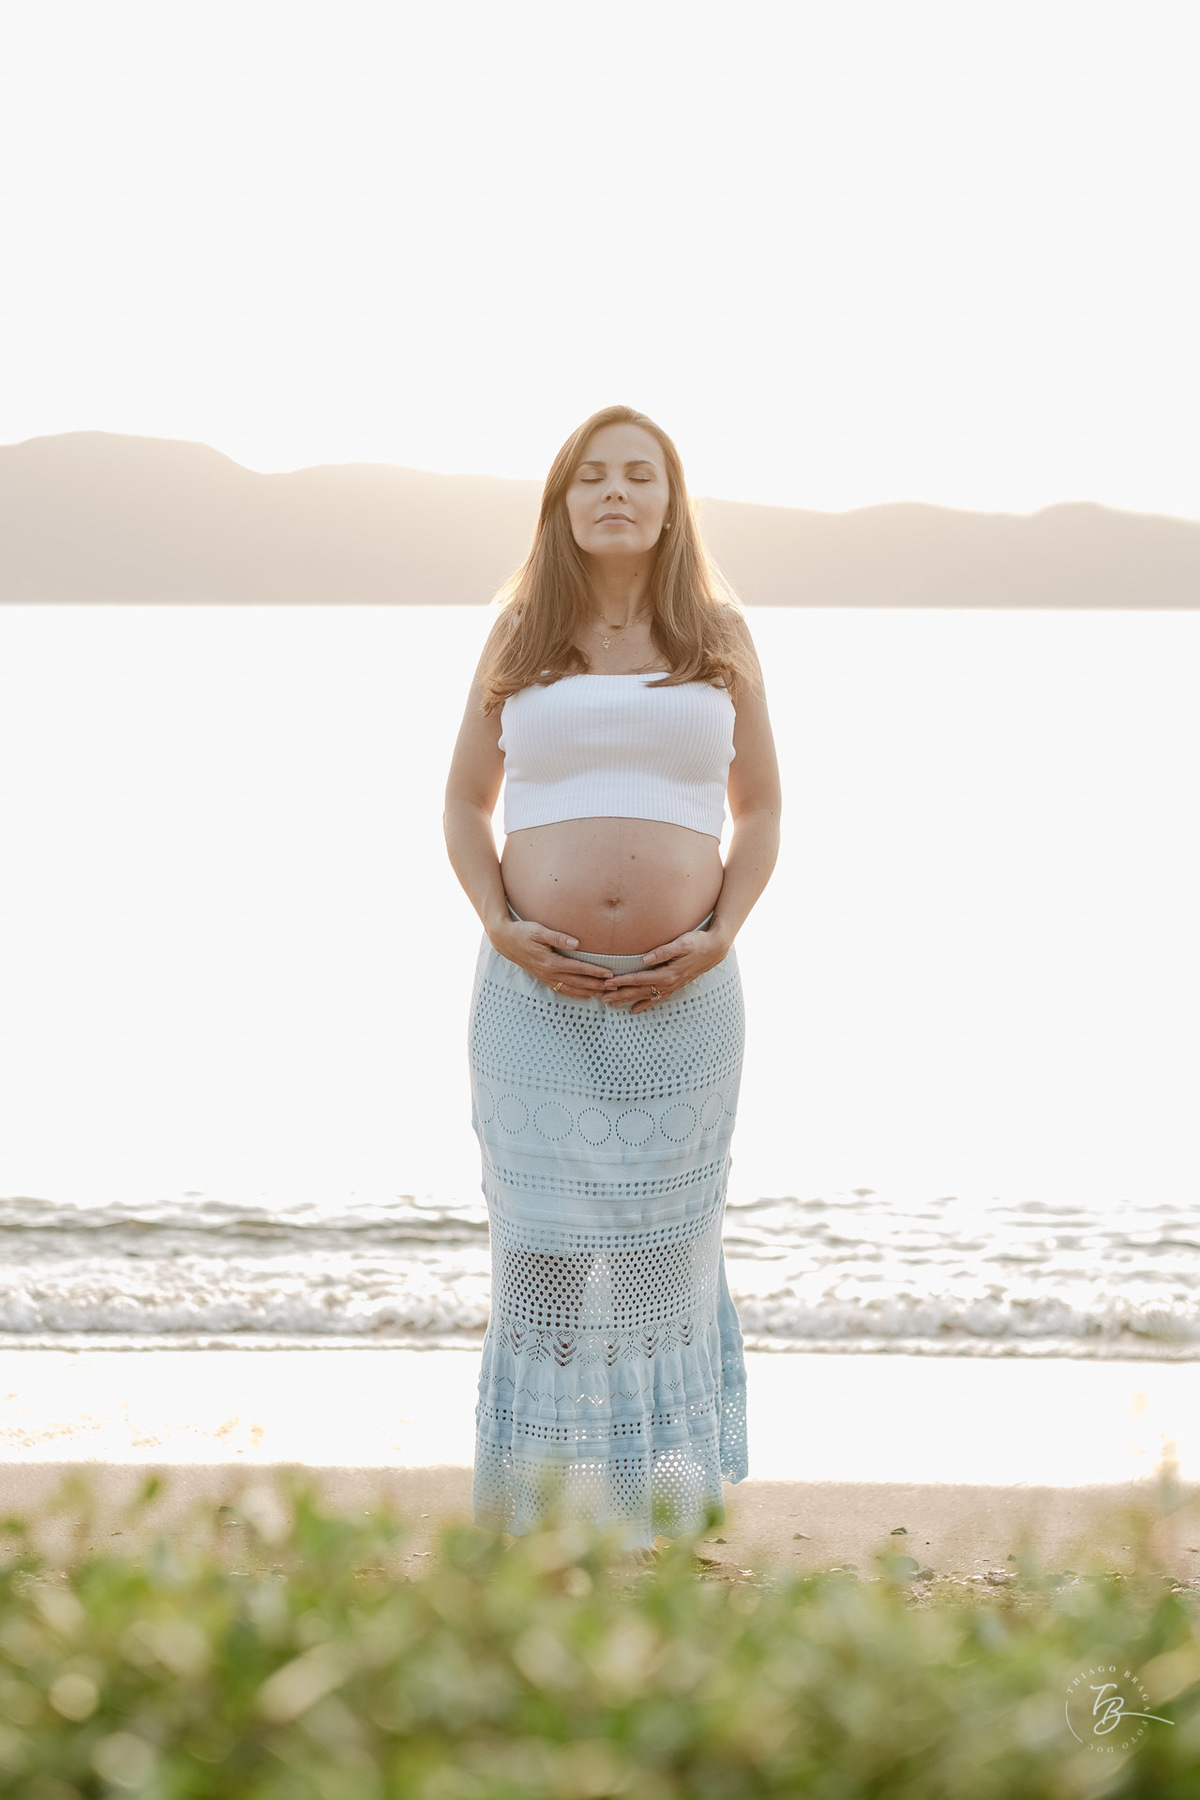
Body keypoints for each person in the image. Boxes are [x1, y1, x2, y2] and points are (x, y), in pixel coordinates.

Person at [443, 404, 781, 1552]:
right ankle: (535, 1519)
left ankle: (655, 1518)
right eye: (591, 476)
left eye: (639, 474)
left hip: (684, 1003)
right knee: (541, 1255)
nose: (616, 492)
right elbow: (463, 805)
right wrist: (499, 925)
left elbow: (762, 810)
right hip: (533, 1001)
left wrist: (722, 932)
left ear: (673, 503)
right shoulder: (522, 633)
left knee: (661, 1261)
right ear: (562, 503)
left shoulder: (718, 636)